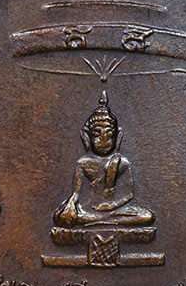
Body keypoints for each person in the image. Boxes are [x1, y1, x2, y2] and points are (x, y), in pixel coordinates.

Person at [54, 91, 154, 227]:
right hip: (89, 209)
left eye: (109, 134)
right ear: (86, 136)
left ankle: (102, 221)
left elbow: (129, 194)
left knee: (147, 216)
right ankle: (103, 220)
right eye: (97, 134)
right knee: (64, 217)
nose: (103, 140)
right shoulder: (83, 163)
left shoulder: (122, 163)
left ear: (118, 136)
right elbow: (76, 194)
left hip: (115, 210)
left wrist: (112, 205)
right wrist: (70, 205)